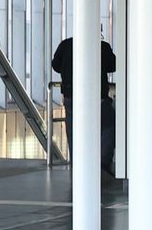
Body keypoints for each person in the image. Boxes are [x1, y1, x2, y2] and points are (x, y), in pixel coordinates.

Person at [50, 33, 123, 191]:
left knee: (74, 128)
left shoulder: (65, 45)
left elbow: (55, 65)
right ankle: (102, 162)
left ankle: (78, 164)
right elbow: (114, 65)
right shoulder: (102, 47)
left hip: (71, 96)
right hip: (96, 97)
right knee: (109, 126)